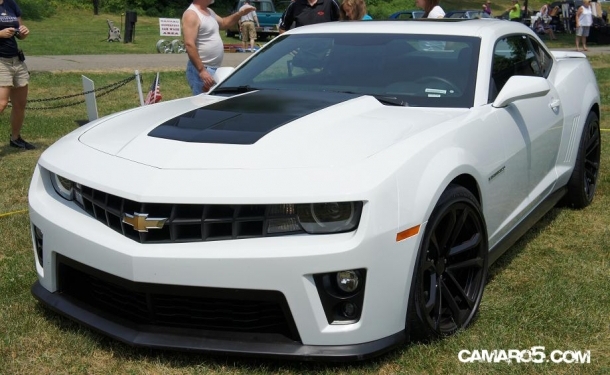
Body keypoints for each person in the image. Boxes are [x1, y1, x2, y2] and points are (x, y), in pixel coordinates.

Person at [182, 0, 255, 95]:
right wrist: (202, 71)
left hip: (212, 68)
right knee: (202, 103)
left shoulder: (209, 12)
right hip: (202, 69)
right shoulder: (191, 14)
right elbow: (189, 44)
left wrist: (240, 14)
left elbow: (224, 23)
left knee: (211, 101)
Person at [0, 0, 33, 150]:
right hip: (1, 62)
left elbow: (19, 33)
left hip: (16, 60)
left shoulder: (10, 4)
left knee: (20, 104)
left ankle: (15, 138)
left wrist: (23, 32)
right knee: (2, 103)